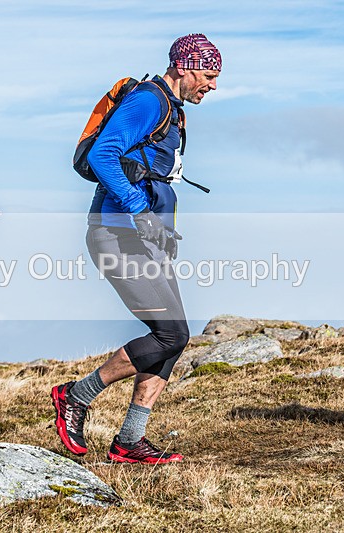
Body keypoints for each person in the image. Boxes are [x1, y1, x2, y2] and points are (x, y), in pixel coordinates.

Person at [52, 34, 222, 464]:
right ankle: (75, 396)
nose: (213, 85)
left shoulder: (172, 109)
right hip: (117, 233)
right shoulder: (150, 101)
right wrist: (139, 208)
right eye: (208, 75)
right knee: (171, 333)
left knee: (173, 339)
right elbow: (104, 156)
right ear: (183, 67)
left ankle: (130, 441)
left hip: (145, 238)